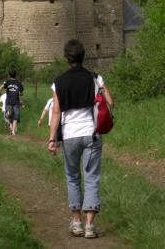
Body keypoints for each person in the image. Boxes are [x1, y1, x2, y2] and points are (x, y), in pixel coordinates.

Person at [48, 39, 114, 239]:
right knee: (92, 177)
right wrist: (100, 92)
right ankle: (89, 226)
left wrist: (52, 139)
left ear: (66, 58)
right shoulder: (95, 78)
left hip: (70, 136)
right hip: (92, 134)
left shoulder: (58, 82)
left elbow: (56, 112)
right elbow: (111, 102)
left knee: (72, 177)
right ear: (83, 56)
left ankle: (76, 222)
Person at [0, 69, 24, 136]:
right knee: (14, 116)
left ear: (9, 75)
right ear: (16, 75)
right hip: (14, 101)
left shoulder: (8, 81)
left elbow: (1, 86)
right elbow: (21, 92)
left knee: (13, 116)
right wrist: (20, 94)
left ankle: (13, 131)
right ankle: (12, 128)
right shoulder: (18, 82)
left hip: (10, 101)